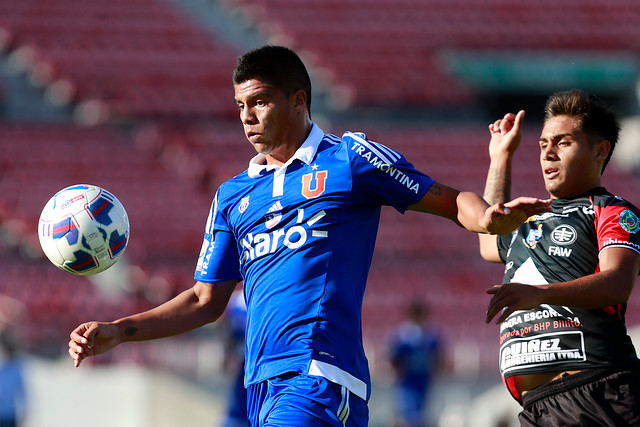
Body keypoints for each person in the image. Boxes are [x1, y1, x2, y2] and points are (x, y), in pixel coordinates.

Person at [68, 45, 550, 427]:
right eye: (239, 105)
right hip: (260, 384)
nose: (246, 117)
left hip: (320, 372)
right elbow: (203, 301)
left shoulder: (350, 159)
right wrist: (119, 331)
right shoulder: (233, 195)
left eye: (259, 101)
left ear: (298, 100)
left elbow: (447, 199)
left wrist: (488, 220)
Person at [478, 89, 640, 426]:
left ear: (600, 150)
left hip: (598, 392)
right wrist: (500, 157)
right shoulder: (529, 216)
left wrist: (540, 294)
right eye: (542, 144)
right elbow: (488, 239)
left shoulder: (612, 210)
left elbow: (618, 282)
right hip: (536, 407)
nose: (548, 153)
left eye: (563, 142)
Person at [388, 300, 441, 427]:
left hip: (424, 381)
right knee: (407, 414)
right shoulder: (402, 335)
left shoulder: (431, 335)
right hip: (407, 382)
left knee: (422, 415)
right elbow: (393, 357)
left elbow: (438, 357)